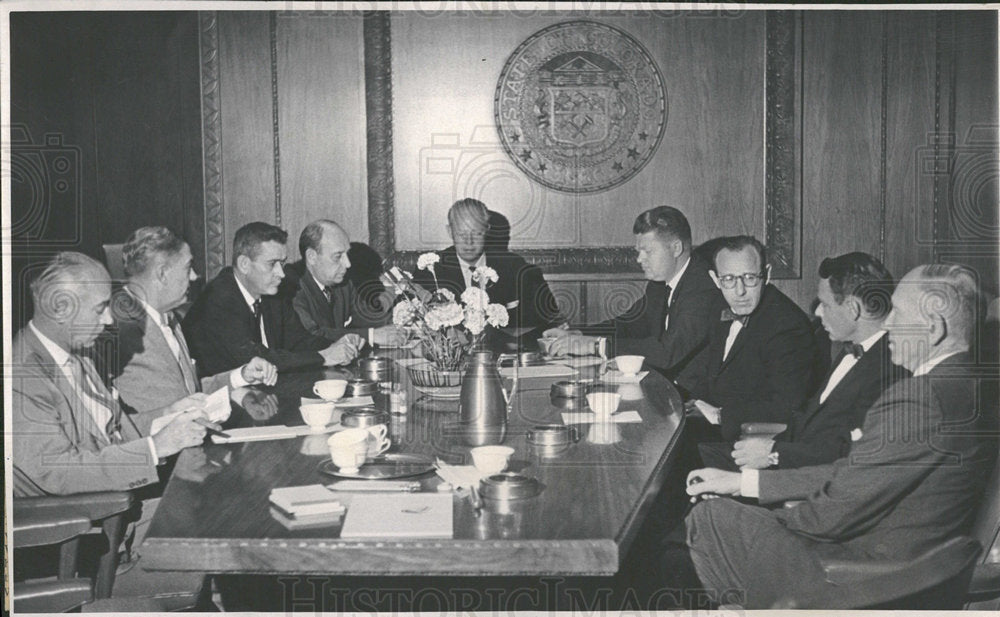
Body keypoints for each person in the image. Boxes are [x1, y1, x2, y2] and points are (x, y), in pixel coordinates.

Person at [685, 264, 998, 608]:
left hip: (872, 570)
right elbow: (859, 472)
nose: (888, 322)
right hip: (913, 556)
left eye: (897, 312)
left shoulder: (920, 399)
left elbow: (834, 513)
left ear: (933, 328)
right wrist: (744, 484)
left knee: (710, 518)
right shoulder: (969, 386)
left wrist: (772, 516)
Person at [711, 252, 906, 470]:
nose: (817, 311)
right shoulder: (851, 350)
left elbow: (849, 455)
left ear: (853, 309)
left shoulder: (889, 369)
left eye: (825, 304)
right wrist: (764, 445)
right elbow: (807, 424)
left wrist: (773, 453)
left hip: (802, 474)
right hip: (787, 455)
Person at [112, 226, 277, 431]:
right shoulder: (115, 328)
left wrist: (241, 375)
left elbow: (187, 392)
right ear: (162, 273)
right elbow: (112, 425)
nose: (194, 276)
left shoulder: (168, 317)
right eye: (188, 267)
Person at [543, 206, 724, 383]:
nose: (639, 259)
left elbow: (667, 353)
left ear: (676, 248)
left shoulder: (703, 287)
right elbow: (629, 323)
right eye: (638, 251)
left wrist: (597, 345)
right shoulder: (659, 284)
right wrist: (579, 334)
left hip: (697, 398)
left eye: (648, 251)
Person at [682, 236, 824, 443]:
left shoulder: (787, 326)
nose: (739, 292)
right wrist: (693, 401)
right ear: (715, 279)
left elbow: (788, 407)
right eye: (728, 279)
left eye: (749, 278)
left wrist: (720, 416)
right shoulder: (720, 308)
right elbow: (715, 373)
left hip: (754, 442)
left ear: (766, 275)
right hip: (719, 428)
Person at [182, 222, 364, 377]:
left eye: (282, 263)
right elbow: (256, 358)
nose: (281, 273)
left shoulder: (271, 293)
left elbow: (299, 340)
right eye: (272, 264)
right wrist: (324, 356)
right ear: (244, 264)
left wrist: (339, 345)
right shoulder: (219, 298)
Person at [410, 198, 561, 329]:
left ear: (487, 230)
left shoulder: (515, 266)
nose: (469, 242)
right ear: (450, 231)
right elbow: (411, 319)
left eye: (476, 233)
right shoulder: (430, 269)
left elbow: (547, 318)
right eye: (462, 234)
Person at [286, 219, 404, 347]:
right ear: (311, 257)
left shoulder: (340, 281)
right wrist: (371, 336)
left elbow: (365, 317)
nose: (348, 264)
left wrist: (401, 320)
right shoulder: (291, 285)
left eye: (347, 254)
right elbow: (311, 335)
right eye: (338, 256)